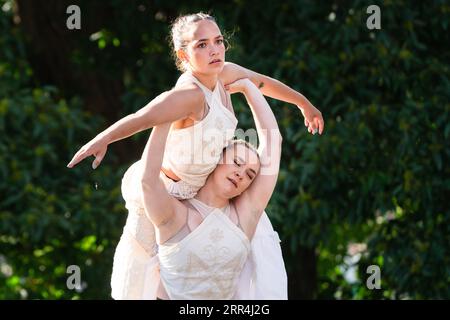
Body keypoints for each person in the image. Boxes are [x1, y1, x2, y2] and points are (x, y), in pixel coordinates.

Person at [67, 12, 324, 299]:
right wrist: (105, 138)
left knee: (243, 241)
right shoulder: (190, 95)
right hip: (168, 186)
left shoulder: (223, 72)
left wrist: (304, 103)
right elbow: (144, 116)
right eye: (201, 45)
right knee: (143, 271)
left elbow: (260, 82)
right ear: (184, 55)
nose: (214, 50)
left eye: (218, 41)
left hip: (200, 186)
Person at [141, 77, 282, 299]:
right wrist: (166, 115)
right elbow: (148, 180)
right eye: (237, 162)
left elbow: (273, 142)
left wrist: (248, 87)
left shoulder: (244, 218)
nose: (241, 173)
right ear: (217, 159)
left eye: (249, 174)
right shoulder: (177, 213)